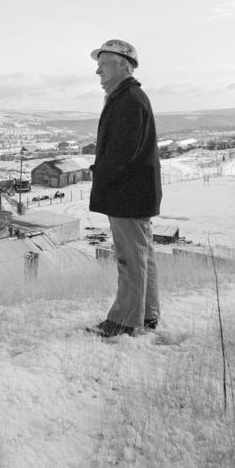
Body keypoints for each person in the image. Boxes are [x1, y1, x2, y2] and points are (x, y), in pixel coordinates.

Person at [85, 39, 162, 338]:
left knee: (129, 257)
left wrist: (100, 175)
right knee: (142, 254)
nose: (98, 72)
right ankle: (146, 315)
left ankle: (124, 322)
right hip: (134, 192)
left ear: (123, 65)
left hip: (127, 193)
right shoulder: (128, 97)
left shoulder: (129, 99)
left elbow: (121, 153)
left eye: (103, 64)